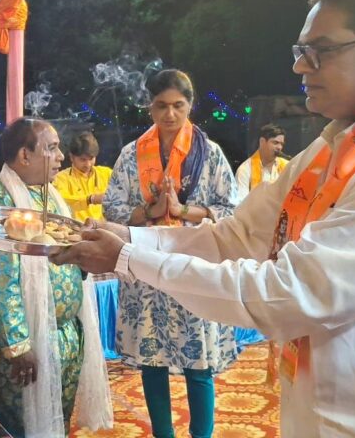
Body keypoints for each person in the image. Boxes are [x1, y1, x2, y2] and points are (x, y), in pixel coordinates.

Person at [52, 0, 355, 436]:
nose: (299, 67)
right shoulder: (334, 146)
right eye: (300, 51)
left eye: (319, 51)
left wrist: (128, 257)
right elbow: (238, 236)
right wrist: (129, 237)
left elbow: (290, 292)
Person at [102, 69, 239, 438]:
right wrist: (151, 210)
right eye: (161, 105)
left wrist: (183, 211)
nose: (170, 114)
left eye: (178, 105)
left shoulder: (209, 154)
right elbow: (111, 208)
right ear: (150, 107)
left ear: (190, 105)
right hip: (146, 269)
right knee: (152, 361)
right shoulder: (131, 155)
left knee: (199, 363)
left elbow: (232, 209)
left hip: (194, 267)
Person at [0, 118, 111, 436]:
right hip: (27, 343)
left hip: (63, 334)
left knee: (56, 421)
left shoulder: (50, 195)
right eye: (52, 148)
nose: (61, 157)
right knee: (19, 425)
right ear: (25, 155)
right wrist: (18, 346)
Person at [53, 131, 113, 222]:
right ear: (71, 157)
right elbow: (61, 202)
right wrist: (90, 199)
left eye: (91, 159)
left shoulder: (106, 173)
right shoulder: (61, 178)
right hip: (76, 227)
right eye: (83, 160)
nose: (88, 164)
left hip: (104, 226)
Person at [235, 123, 288, 198]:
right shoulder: (245, 169)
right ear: (262, 142)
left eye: (281, 144)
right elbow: (242, 202)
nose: (279, 147)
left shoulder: (287, 166)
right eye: (275, 143)